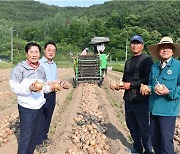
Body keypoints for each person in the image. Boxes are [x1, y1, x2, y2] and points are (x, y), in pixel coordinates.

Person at [9, 42, 52, 154]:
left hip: (39, 106)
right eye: (31, 52)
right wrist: (29, 88)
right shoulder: (20, 68)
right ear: (26, 54)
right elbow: (14, 87)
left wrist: (52, 88)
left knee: (34, 134)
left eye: (36, 52)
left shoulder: (41, 70)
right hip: (26, 107)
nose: (34, 54)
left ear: (39, 54)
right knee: (26, 135)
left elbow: (43, 87)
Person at [141, 36, 180, 154]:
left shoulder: (178, 66)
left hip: (168, 110)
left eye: (168, 47)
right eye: (162, 48)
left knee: (166, 143)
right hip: (153, 109)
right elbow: (152, 84)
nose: (165, 50)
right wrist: (148, 88)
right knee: (155, 141)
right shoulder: (154, 67)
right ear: (158, 51)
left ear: (173, 51)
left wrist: (169, 92)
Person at [120, 35, 154, 153]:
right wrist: (119, 85)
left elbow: (148, 78)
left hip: (141, 99)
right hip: (128, 99)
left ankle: (148, 150)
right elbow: (125, 79)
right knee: (131, 125)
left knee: (144, 127)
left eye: (137, 43)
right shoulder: (128, 62)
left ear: (142, 46)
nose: (134, 45)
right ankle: (137, 148)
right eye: (133, 43)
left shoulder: (147, 60)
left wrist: (131, 85)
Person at [35, 41, 60, 152]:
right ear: (44, 51)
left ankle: (44, 136)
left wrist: (59, 83)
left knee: (48, 116)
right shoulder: (39, 64)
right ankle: (37, 142)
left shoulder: (54, 65)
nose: (51, 52)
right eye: (49, 50)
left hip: (52, 93)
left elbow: (54, 79)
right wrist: (47, 84)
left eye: (53, 50)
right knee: (40, 117)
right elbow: (37, 81)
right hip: (41, 94)